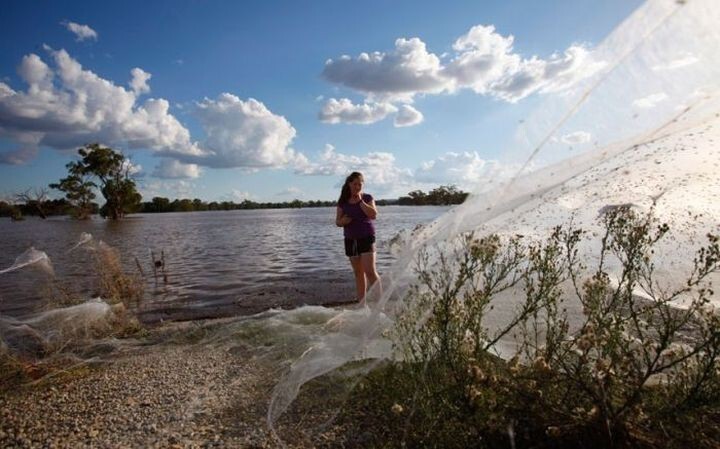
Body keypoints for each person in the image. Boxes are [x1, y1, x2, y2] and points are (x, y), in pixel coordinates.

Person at [335, 172, 381, 303]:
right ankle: (362, 305)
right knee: (358, 273)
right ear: (349, 184)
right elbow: (337, 222)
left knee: (370, 272)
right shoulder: (343, 201)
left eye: (359, 184)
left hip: (366, 237)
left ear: (363, 185)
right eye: (354, 184)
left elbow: (373, 215)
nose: (357, 187)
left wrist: (360, 201)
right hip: (350, 240)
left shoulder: (367, 197)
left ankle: (380, 305)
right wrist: (343, 221)